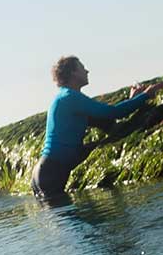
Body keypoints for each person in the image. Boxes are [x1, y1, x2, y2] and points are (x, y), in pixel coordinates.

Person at [32, 55, 156, 203]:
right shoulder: (71, 97)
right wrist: (145, 96)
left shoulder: (64, 97)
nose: (87, 71)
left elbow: (106, 117)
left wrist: (131, 100)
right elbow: (114, 112)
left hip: (43, 172)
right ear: (73, 73)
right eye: (82, 68)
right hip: (51, 173)